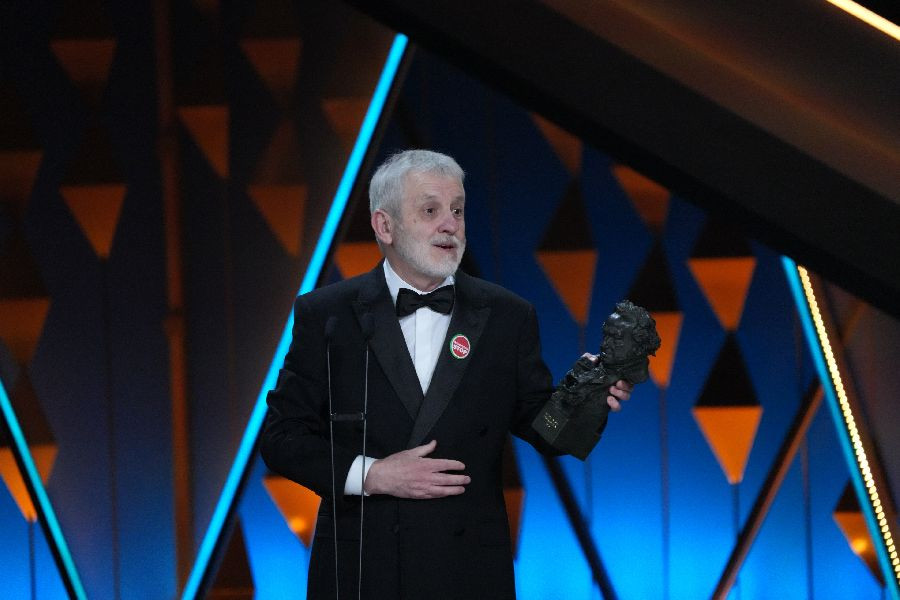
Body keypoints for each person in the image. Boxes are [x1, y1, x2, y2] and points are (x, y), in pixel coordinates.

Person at [260, 150, 633, 599]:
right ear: (384, 226)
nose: (450, 225)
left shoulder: (507, 315)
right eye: (430, 210)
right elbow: (281, 438)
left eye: (457, 210)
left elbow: (544, 427)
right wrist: (373, 475)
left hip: (468, 571)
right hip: (362, 570)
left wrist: (584, 400)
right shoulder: (328, 314)